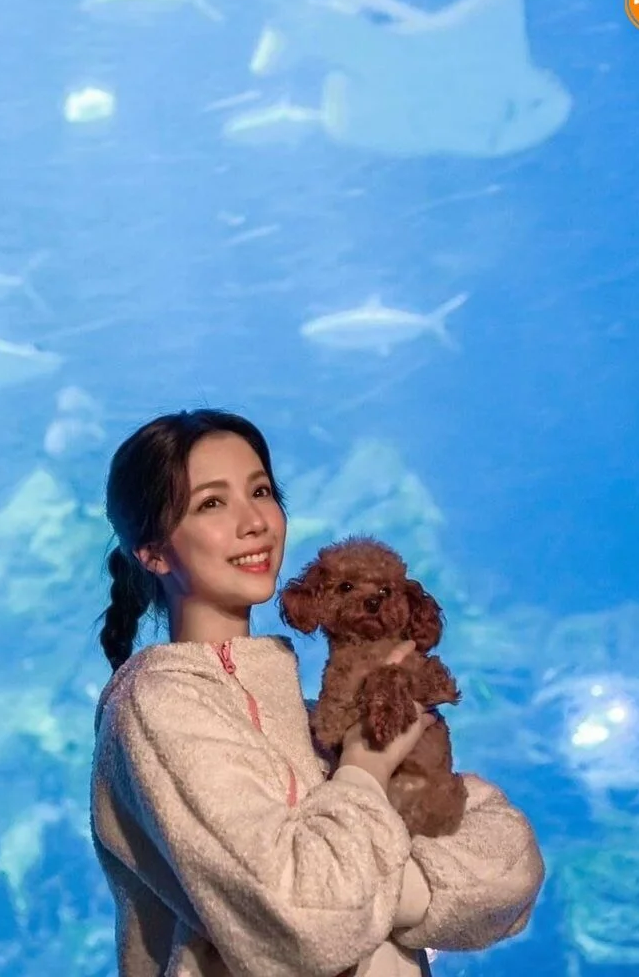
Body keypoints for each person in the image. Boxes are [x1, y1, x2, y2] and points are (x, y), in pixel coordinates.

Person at [90, 408, 545, 977]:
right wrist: (367, 766)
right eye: (211, 503)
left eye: (261, 491)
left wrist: (370, 892)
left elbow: (512, 864)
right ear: (154, 552)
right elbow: (302, 919)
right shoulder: (158, 707)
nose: (254, 521)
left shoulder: (307, 720)